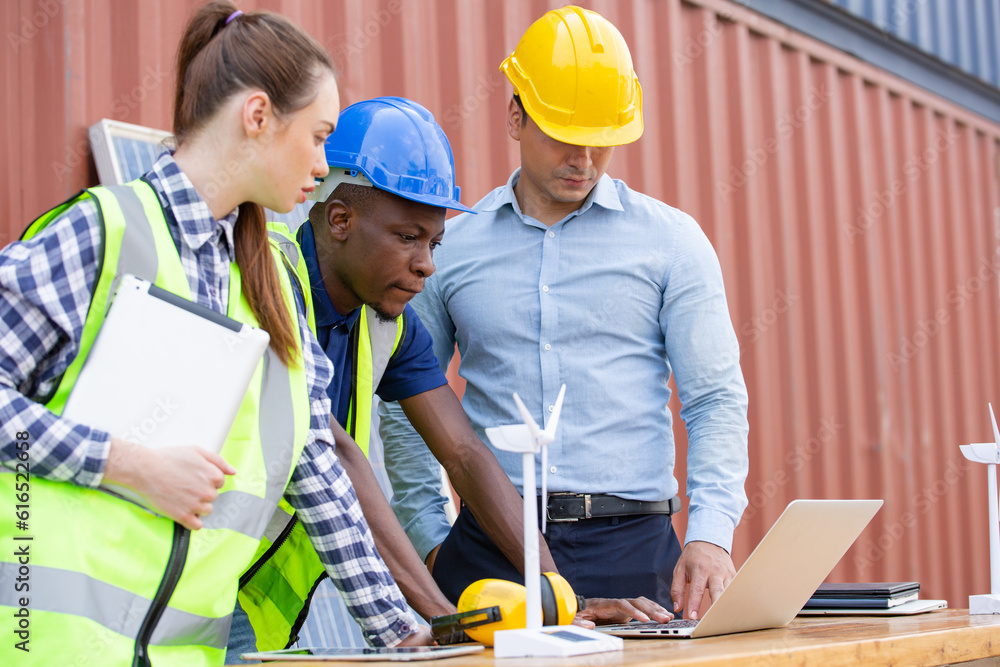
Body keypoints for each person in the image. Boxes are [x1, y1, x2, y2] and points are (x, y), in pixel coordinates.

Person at [0, 4, 431, 665]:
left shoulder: (276, 287)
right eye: (317, 137)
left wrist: (403, 635)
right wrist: (128, 464)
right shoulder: (104, 232)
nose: (323, 165)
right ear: (257, 117)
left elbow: (318, 471)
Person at [229, 97, 669, 659]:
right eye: (407, 237)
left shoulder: (387, 325)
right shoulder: (264, 284)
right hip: (186, 571)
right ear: (340, 220)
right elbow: (334, 456)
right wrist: (444, 619)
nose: (427, 265)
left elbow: (463, 452)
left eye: (434, 243)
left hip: (244, 590)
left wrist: (558, 598)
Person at [380, 5, 750, 621]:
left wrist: (711, 533)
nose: (584, 159)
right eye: (563, 136)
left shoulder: (674, 242)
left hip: (634, 550)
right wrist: (429, 540)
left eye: (601, 140)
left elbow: (714, 399)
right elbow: (406, 396)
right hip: (488, 548)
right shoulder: (451, 248)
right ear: (515, 116)